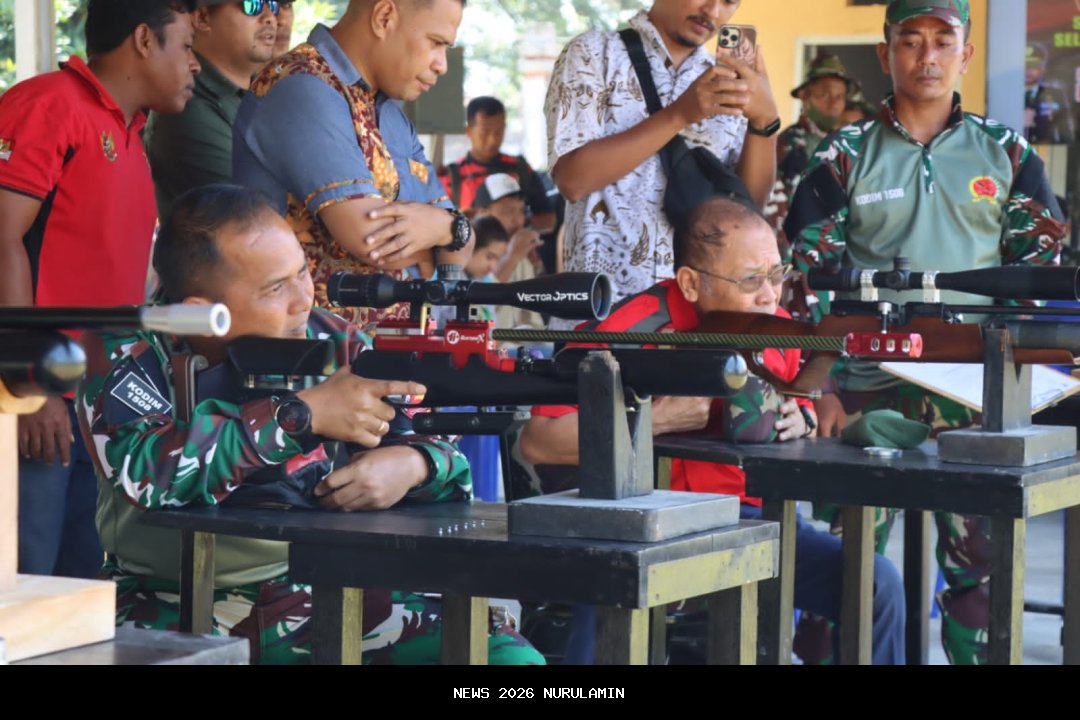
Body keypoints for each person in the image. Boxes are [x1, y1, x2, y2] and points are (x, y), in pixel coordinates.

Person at [76, 184, 544, 665]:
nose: (304, 299)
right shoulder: (128, 352)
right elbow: (149, 472)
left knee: (511, 664)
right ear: (201, 312)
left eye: (302, 272)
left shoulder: (331, 338)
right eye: (274, 288)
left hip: (323, 587)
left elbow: (434, 438)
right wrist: (301, 416)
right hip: (164, 601)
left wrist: (412, 464)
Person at [786, 0, 1067, 665]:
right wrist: (817, 388)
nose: (927, 56)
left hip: (974, 391)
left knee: (982, 578)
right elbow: (808, 277)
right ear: (885, 55)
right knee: (843, 570)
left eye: (943, 41)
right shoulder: (844, 153)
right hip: (858, 392)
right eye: (910, 41)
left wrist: (1014, 383)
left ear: (966, 53)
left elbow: (1041, 270)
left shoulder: (1007, 151)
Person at [518, 196, 906, 665]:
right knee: (599, 637)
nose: (769, 295)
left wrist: (801, 414)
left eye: (776, 276)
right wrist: (658, 419)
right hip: (643, 534)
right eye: (750, 280)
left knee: (876, 585)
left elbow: (802, 391)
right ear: (690, 283)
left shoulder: (775, 325)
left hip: (757, 525)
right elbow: (539, 439)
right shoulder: (633, 330)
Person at [0, 0, 200, 579]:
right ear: (144, 39)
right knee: (24, 584)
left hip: (95, 402)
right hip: (37, 397)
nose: (195, 65)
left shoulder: (132, 135)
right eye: (185, 46)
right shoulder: (48, 105)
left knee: (80, 589)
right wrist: (27, 383)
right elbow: (2, 241)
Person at [233, 0, 473, 327]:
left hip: (385, 358)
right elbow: (373, 241)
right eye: (436, 42)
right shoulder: (301, 85)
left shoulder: (390, 113)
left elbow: (462, 250)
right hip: (312, 355)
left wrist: (448, 229)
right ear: (384, 17)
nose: (442, 65)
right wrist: (444, 231)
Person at [543, 0, 779, 316]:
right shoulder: (595, 53)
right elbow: (573, 181)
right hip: (603, 314)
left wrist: (765, 123)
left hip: (695, 321)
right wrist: (679, 115)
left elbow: (745, 212)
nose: (712, 10)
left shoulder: (726, 80)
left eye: (729, 2)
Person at [146, 0, 279, 216]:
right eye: (251, 5)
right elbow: (264, 212)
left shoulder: (266, 92)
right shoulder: (187, 109)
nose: (270, 17)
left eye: (272, 5)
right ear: (202, 18)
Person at [764, 53, 853, 259]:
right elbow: (775, 211)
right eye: (825, 94)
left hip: (840, 256)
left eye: (840, 96)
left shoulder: (850, 145)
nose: (834, 103)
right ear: (805, 96)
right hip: (796, 256)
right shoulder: (783, 146)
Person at [438, 96, 556, 233]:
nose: (492, 140)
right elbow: (438, 227)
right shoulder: (451, 178)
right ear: (469, 131)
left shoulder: (520, 169)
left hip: (519, 251)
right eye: (485, 132)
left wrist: (518, 221)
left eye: (498, 132)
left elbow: (549, 219)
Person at [1024, 41, 1074, 145]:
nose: (1028, 71)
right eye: (1025, 66)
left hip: (1047, 148)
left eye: (1033, 66)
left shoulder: (1055, 93)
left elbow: (1066, 129)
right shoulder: (1008, 94)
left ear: (1042, 69)